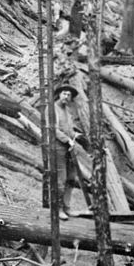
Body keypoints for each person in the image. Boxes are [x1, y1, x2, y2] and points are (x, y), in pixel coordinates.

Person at [53, 83, 84, 220]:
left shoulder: (68, 110)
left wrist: (75, 135)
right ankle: (58, 209)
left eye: (69, 95)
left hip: (70, 148)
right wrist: (67, 139)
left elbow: (69, 128)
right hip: (58, 147)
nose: (66, 96)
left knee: (71, 179)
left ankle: (67, 207)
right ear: (59, 94)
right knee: (61, 179)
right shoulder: (52, 108)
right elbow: (53, 129)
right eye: (64, 93)